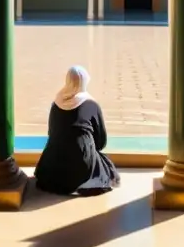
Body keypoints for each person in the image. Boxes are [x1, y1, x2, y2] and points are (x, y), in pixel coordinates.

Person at [34, 65, 120, 196]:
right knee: (105, 166)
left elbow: (51, 133)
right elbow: (101, 141)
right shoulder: (91, 104)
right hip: (82, 164)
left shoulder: (56, 104)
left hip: (53, 164)